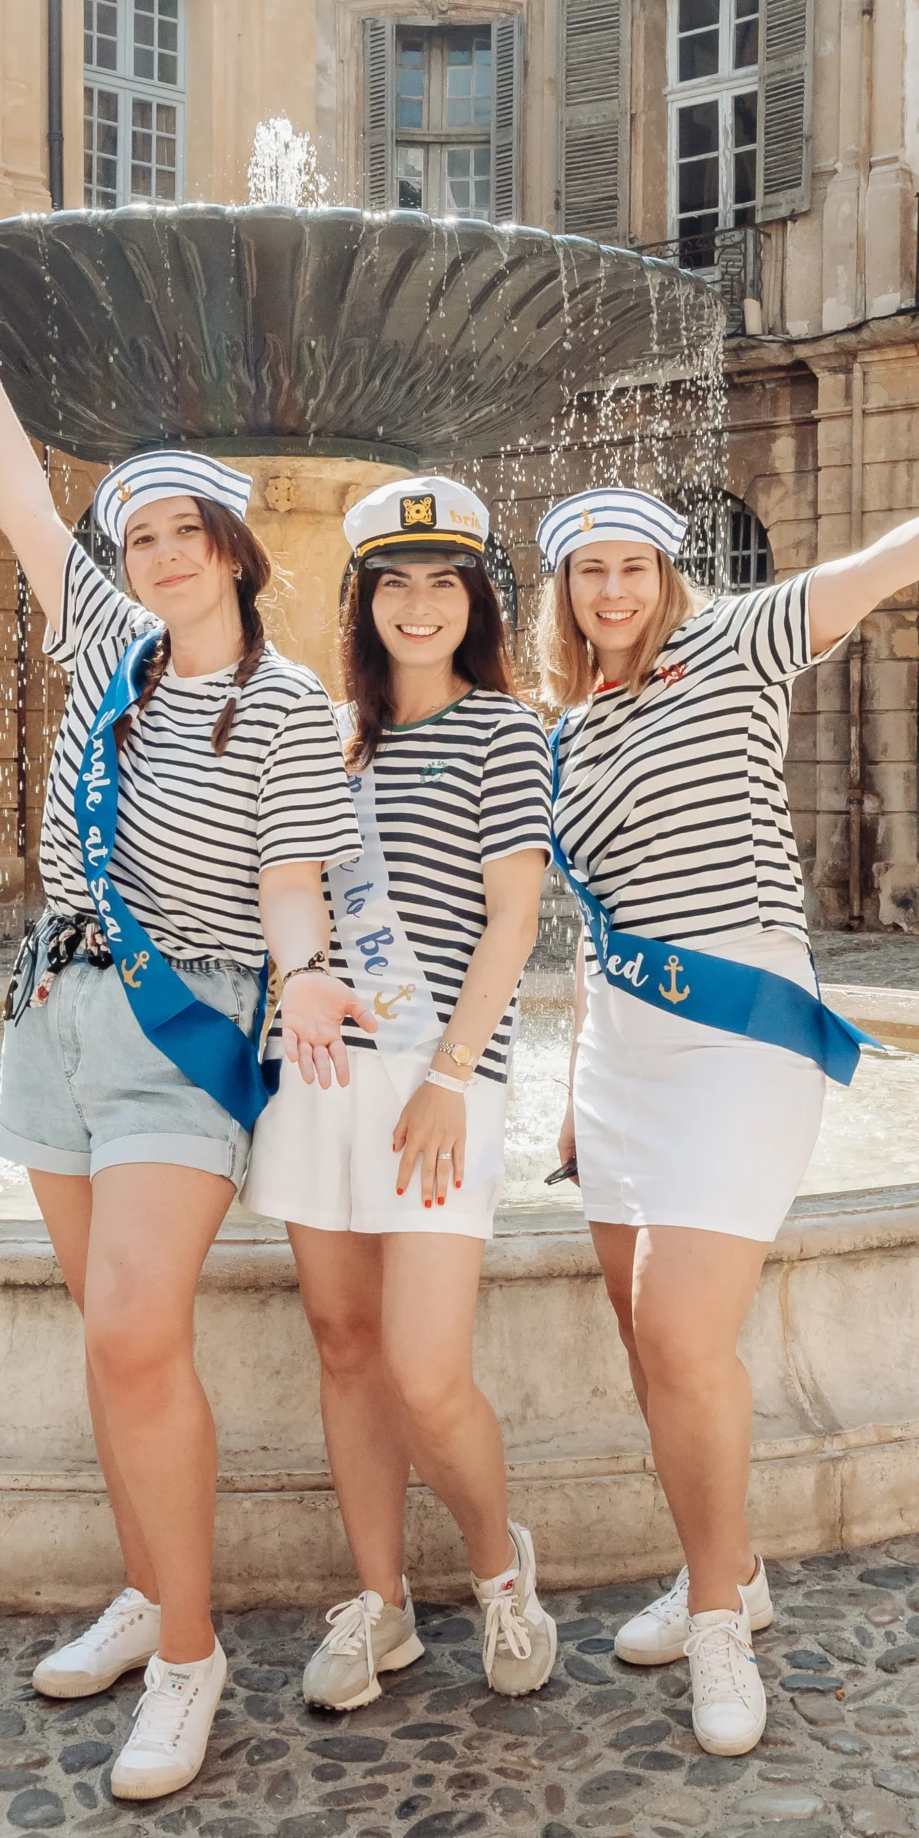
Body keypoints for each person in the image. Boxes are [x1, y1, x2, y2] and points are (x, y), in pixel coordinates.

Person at [541, 427, 919, 1757]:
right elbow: (586, 922)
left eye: (631, 566)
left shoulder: (736, 644)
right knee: (643, 1341)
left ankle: (718, 1621)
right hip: (618, 1062)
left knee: (678, 1338)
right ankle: (734, 1570)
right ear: (561, 591)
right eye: (588, 570)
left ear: (664, 574)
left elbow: (884, 565)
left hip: (741, 1044)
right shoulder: (567, 728)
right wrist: (566, 1082)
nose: (611, 591)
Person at [0, 275, 369, 1800]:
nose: (155, 556)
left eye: (181, 534)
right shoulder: (107, 647)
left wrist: (301, 978)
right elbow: (30, 511)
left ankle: (190, 1657)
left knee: (131, 1325)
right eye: (139, 536)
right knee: (109, 1339)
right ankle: (153, 1589)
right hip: (55, 1011)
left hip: (188, 1021)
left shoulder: (288, 707)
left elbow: (292, 876)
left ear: (234, 550)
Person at [241, 476, 557, 1708]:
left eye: (443, 582)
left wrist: (447, 1079)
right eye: (394, 583)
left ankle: (497, 1571)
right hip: (319, 1074)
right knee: (344, 1341)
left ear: (475, 598)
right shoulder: (328, 739)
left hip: (442, 1076)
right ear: (363, 598)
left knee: (428, 1369)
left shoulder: (505, 730)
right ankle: (381, 1604)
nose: (418, 604)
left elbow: (514, 922)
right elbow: (291, 895)